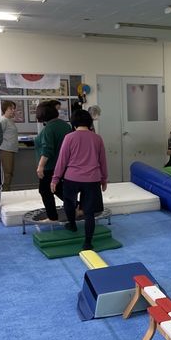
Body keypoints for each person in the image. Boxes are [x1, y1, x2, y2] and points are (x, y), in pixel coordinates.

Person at [51, 110, 107, 251]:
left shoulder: (69, 137)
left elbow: (62, 160)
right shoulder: (97, 138)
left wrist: (55, 178)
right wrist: (104, 179)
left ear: (73, 123)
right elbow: (102, 161)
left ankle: (72, 225)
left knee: (69, 203)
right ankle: (88, 243)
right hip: (92, 179)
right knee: (89, 212)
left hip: (72, 178)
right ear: (90, 122)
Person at [34, 101, 72, 221]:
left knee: (45, 191)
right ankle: (77, 206)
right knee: (59, 189)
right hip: (64, 165)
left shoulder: (49, 129)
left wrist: (41, 166)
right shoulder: (65, 126)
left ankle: (52, 217)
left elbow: (47, 149)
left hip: (50, 166)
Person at [0, 100, 19, 192]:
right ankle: (5, 191)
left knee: (9, 172)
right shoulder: (3, 120)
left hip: (10, 150)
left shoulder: (10, 120)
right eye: (11, 109)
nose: (13, 110)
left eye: (14, 108)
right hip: (5, 150)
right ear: (5, 110)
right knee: (7, 173)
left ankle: (7, 190)